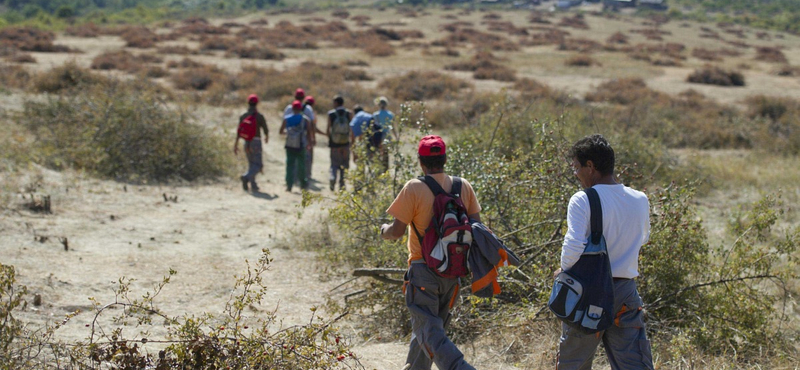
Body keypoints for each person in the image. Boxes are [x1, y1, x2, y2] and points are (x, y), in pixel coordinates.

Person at [380, 135, 480, 370]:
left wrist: (383, 230)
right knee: (428, 329)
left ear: (420, 161)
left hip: (423, 270)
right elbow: (478, 228)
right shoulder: (462, 186)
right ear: (445, 159)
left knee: (429, 331)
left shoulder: (414, 187)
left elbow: (395, 232)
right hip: (454, 273)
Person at [554, 134, 654, 370]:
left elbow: (573, 246)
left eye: (577, 167)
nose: (576, 174)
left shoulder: (582, 199)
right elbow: (643, 239)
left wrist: (563, 273)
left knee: (573, 364)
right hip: (626, 294)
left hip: (587, 294)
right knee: (635, 365)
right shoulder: (640, 199)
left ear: (590, 166)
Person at [233, 94, 268, 193]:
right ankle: (246, 177)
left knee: (251, 164)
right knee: (258, 165)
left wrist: (235, 145)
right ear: (257, 103)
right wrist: (266, 137)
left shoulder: (243, 116)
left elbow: (239, 131)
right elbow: (265, 129)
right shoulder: (259, 116)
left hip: (246, 141)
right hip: (256, 141)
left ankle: (253, 185)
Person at [279, 100, 314, 192]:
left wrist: (290, 133)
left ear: (292, 108)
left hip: (289, 145)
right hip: (301, 145)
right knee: (301, 164)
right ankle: (303, 184)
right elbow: (309, 133)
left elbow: (281, 132)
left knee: (290, 165)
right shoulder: (305, 119)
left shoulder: (286, 119)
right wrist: (309, 143)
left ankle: (289, 185)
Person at [326, 95, 353, 191]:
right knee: (344, 164)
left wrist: (331, 139)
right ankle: (342, 183)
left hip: (334, 143)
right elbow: (351, 129)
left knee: (334, 163)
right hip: (345, 143)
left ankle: (333, 178)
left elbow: (328, 129)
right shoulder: (349, 113)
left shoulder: (331, 114)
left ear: (336, 103)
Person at [372, 96, 394, 169]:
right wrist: (396, 136)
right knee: (385, 154)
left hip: (378, 135)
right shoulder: (390, 114)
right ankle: (385, 170)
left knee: (377, 153)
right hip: (387, 135)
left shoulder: (375, 115)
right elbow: (393, 127)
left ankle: (378, 169)